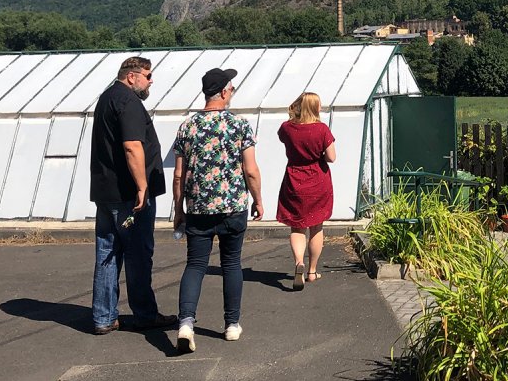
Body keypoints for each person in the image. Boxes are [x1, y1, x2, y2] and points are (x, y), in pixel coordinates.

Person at [171, 68, 264, 353]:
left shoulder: (188, 126)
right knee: (231, 264)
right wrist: (258, 199)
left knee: (196, 265)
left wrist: (178, 209)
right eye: (231, 88)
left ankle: (186, 322)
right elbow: (250, 170)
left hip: (198, 207)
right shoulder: (240, 125)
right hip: (233, 207)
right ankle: (231, 324)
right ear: (223, 92)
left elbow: (178, 175)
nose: (232, 92)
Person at [88, 56, 175, 335]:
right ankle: (145, 314)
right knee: (138, 254)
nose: (151, 81)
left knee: (108, 251)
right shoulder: (128, 102)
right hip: (128, 195)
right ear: (132, 76)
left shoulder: (106, 98)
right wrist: (142, 186)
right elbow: (132, 147)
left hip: (106, 192)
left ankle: (103, 316)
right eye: (148, 76)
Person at [276, 91, 336, 290]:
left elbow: (282, 138)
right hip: (317, 179)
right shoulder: (322, 129)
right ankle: (312, 271)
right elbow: (331, 157)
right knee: (316, 225)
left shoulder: (287, 128)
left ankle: (298, 262)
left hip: (294, 178)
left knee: (297, 226)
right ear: (315, 107)